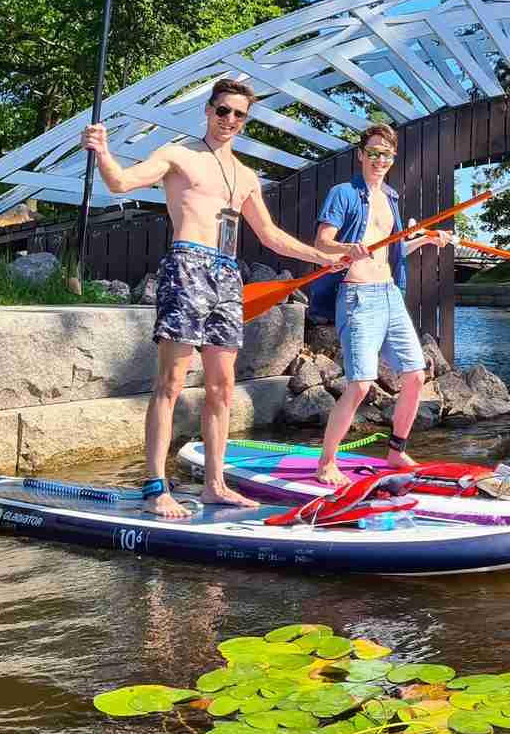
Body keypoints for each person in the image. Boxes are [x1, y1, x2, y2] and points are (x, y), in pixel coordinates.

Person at [81, 78, 367, 518]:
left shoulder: (246, 176)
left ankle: (214, 483)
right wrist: (102, 151)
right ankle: (155, 485)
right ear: (209, 111)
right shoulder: (179, 155)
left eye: (238, 115)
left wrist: (323, 257)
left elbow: (270, 236)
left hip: (228, 276)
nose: (229, 120)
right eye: (222, 111)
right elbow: (121, 183)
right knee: (171, 383)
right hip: (186, 266)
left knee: (222, 386)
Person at [312, 123, 453, 487]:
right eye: (372, 152)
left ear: (392, 159)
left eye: (385, 155)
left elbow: (392, 252)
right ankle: (327, 462)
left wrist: (425, 241)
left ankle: (395, 449)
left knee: (416, 375)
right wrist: (347, 247)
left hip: (390, 293)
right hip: (358, 296)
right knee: (360, 384)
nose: (378, 160)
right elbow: (323, 241)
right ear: (361, 155)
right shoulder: (343, 193)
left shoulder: (390, 197)